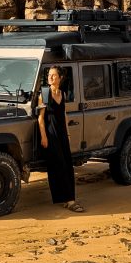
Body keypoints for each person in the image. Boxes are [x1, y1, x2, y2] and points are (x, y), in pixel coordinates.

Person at [37, 65, 84, 212]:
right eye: (49, 75)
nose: (50, 77)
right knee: (59, 166)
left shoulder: (62, 94)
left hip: (62, 133)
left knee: (68, 165)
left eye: (54, 75)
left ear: (60, 78)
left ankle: (67, 198)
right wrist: (44, 137)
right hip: (51, 135)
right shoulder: (44, 93)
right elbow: (41, 118)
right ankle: (70, 201)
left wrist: (68, 134)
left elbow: (64, 115)